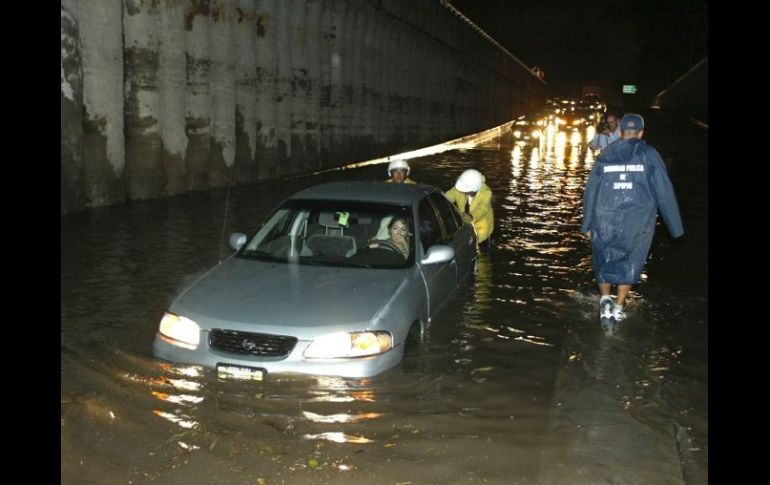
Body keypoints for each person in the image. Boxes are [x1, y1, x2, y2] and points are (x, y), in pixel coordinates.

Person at [581, 113, 684, 325]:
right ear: (641, 132)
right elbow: (664, 190)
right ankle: (618, 305)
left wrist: (587, 223)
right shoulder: (649, 154)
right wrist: (676, 228)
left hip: (604, 215)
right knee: (631, 259)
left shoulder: (606, 153)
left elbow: (591, 190)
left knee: (603, 256)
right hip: (637, 219)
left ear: (621, 131)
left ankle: (604, 299)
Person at [445, 169, 494, 250]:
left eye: (466, 191)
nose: (462, 192)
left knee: (479, 251)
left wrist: (471, 216)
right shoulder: (460, 187)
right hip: (466, 224)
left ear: (475, 189)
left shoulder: (486, 193)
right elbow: (448, 196)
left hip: (482, 228)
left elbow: (482, 208)